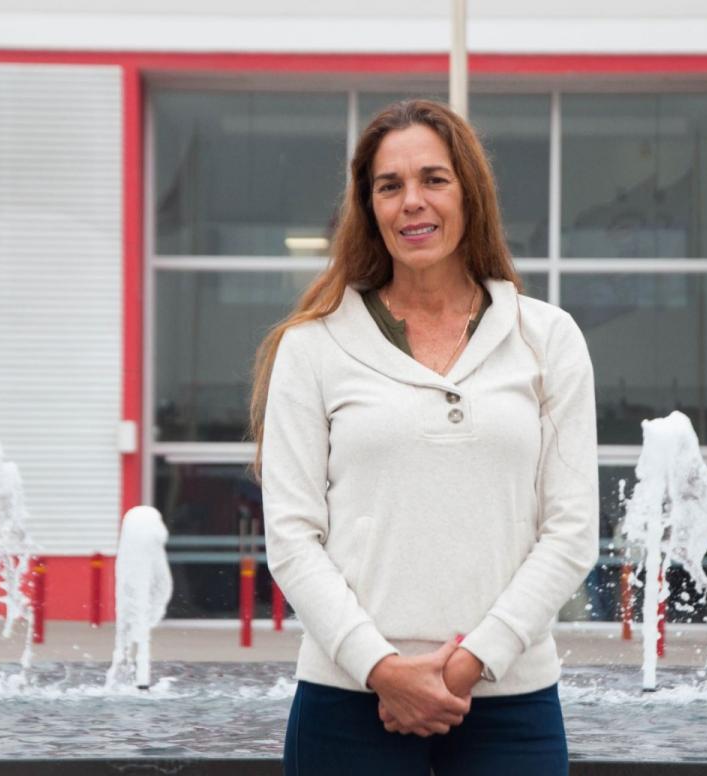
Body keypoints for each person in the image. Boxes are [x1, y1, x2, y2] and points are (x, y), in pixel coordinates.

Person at [250, 99, 599, 776]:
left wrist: (468, 665)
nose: (413, 202)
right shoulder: (312, 347)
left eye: (433, 179)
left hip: (509, 701)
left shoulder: (547, 338)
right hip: (349, 700)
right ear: (369, 207)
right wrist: (382, 669)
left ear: (469, 193)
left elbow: (571, 530)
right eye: (390, 186)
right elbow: (292, 538)